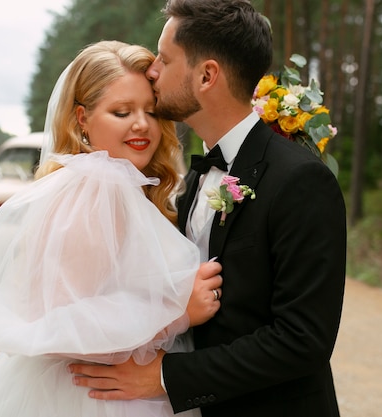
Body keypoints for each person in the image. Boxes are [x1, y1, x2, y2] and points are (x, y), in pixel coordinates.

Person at [69, 1, 347, 416]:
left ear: (206, 75)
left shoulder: (300, 180)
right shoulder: (197, 178)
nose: (152, 71)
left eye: (164, 59)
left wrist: (165, 376)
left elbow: (302, 339)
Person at [0, 40, 223, 417]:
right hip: (88, 397)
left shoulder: (122, 186)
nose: (141, 124)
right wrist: (178, 312)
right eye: (121, 111)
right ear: (82, 118)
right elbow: (64, 324)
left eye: (149, 110)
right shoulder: (95, 187)